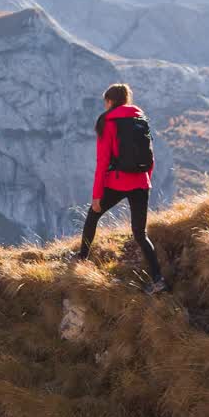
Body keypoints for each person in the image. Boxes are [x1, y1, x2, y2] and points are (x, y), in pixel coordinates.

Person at [76, 84, 168, 294]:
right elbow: (150, 157)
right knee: (140, 234)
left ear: (110, 101)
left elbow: (102, 162)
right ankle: (158, 279)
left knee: (93, 216)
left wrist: (97, 195)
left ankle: (81, 259)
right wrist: (145, 180)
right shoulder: (139, 118)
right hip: (141, 182)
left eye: (105, 101)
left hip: (117, 182)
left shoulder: (107, 121)